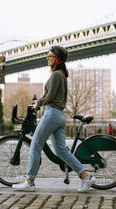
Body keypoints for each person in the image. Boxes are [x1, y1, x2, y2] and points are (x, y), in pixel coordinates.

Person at [12, 45, 96, 192]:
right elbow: (51, 95)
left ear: (57, 59)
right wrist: (39, 103)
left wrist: (39, 103)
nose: (47, 58)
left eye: (50, 56)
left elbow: (50, 96)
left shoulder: (57, 75)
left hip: (51, 114)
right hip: (58, 116)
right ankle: (86, 177)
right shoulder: (60, 75)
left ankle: (29, 182)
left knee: (35, 146)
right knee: (62, 151)